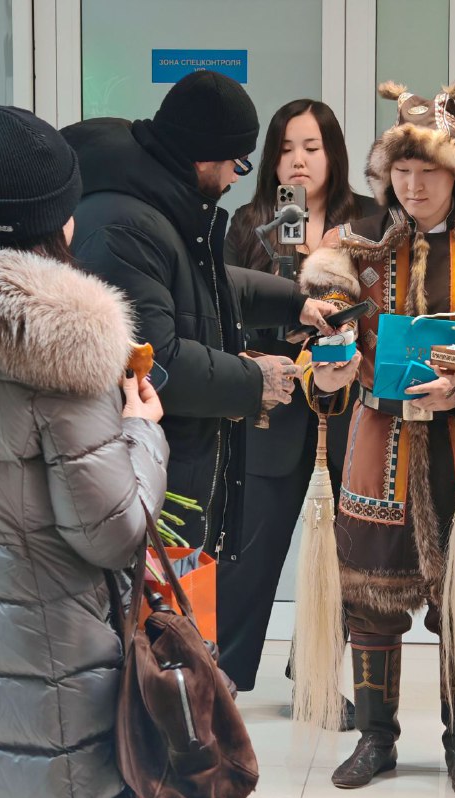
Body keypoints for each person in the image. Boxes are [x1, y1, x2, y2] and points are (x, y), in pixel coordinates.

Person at [297, 77, 455, 796]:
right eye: (401, 170)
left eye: (428, 170)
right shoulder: (354, 250)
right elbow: (321, 342)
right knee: (370, 602)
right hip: (381, 446)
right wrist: (327, 371)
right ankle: (376, 738)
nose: (413, 185)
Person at [0, 106, 169, 798]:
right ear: (63, 221)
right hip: (50, 682)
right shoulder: (60, 348)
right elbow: (110, 531)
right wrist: (142, 430)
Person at [62, 71, 336, 565]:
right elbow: (156, 363)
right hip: (145, 492)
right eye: (237, 162)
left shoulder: (157, 204)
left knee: (190, 612)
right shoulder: (125, 227)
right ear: (205, 158)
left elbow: (204, 285)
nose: (237, 177)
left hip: (167, 477)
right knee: (163, 614)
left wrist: (295, 302)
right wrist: (256, 381)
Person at [217, 99, 378, 697]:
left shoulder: (369, 221)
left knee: (341, 557)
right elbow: (222, 308)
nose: (299, 161)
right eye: (286, 149)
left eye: (311, 147)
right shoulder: (248, 222)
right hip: (272, 409)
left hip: (351, 412)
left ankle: (314, 678)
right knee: (249, 552)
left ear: (333, 153)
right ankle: (222, 676)